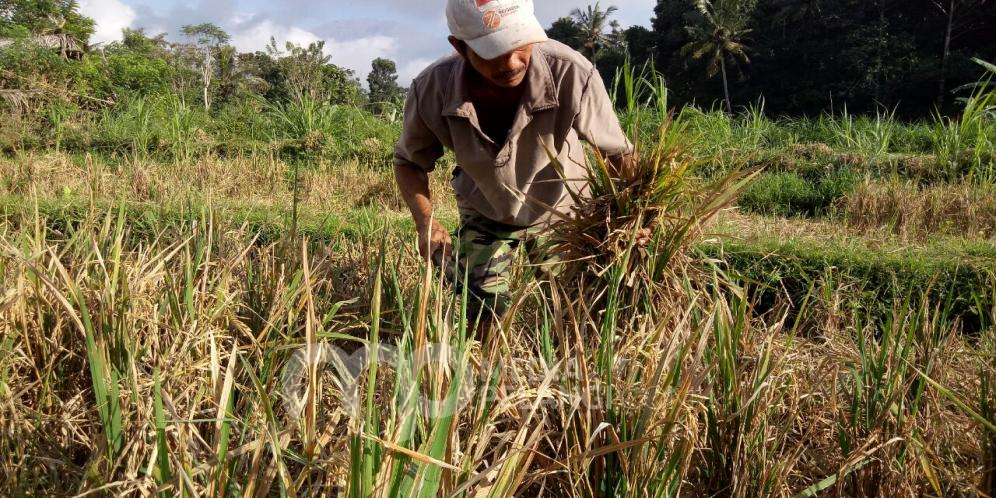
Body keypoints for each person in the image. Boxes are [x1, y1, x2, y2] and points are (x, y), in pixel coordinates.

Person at [393, 0, 634, 340]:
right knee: (480, 307)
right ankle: (487, 380)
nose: (511, 62)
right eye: (493, 51)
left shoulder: (571, 72)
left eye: (518, 43)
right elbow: (408, 163)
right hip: (485, 206)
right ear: (460, 47)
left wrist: (633, 218)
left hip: (564, 210)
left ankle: (571, 377)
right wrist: (426, 224)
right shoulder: (432, 89)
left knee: (574, 307)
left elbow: (618, 156)